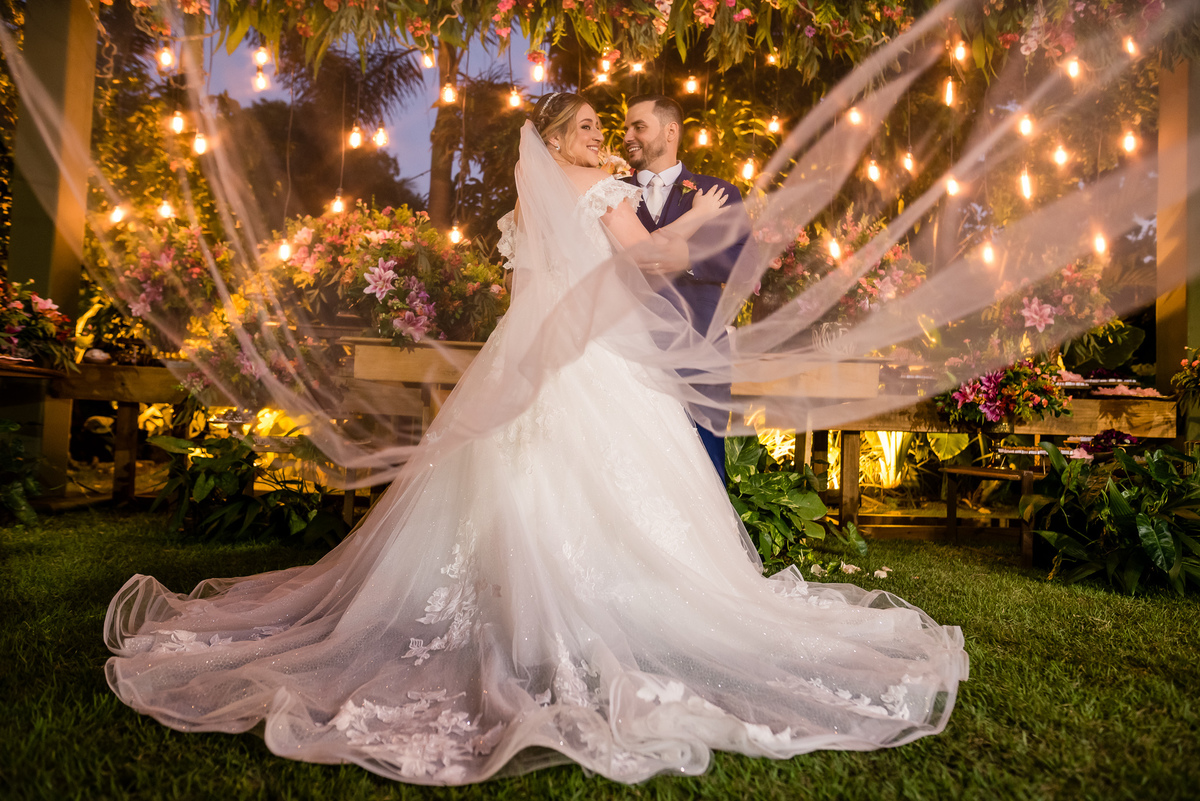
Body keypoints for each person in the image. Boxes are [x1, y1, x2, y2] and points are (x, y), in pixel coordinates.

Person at [103, 92, 968, 786]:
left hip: (533, 351)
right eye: (590, 125)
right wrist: (705, 217)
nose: (604, 136)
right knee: (589, 475)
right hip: (591, 362)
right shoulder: (602, 189)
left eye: (605, 126)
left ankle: (509, 601)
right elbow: (652, 264)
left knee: (509, 472)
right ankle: (595, 609)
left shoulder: (535, 195)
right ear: (561, 136)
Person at [622, 95, 745, 483]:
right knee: (634, 465)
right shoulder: (611, 193)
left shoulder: (716, 192)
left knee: (705, 468)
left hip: (700, 347)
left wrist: (689, 259)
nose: (627, 136)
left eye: (638, 127)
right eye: (626, 128)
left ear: (670, 131)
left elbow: (745, 260)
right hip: (629, 351)